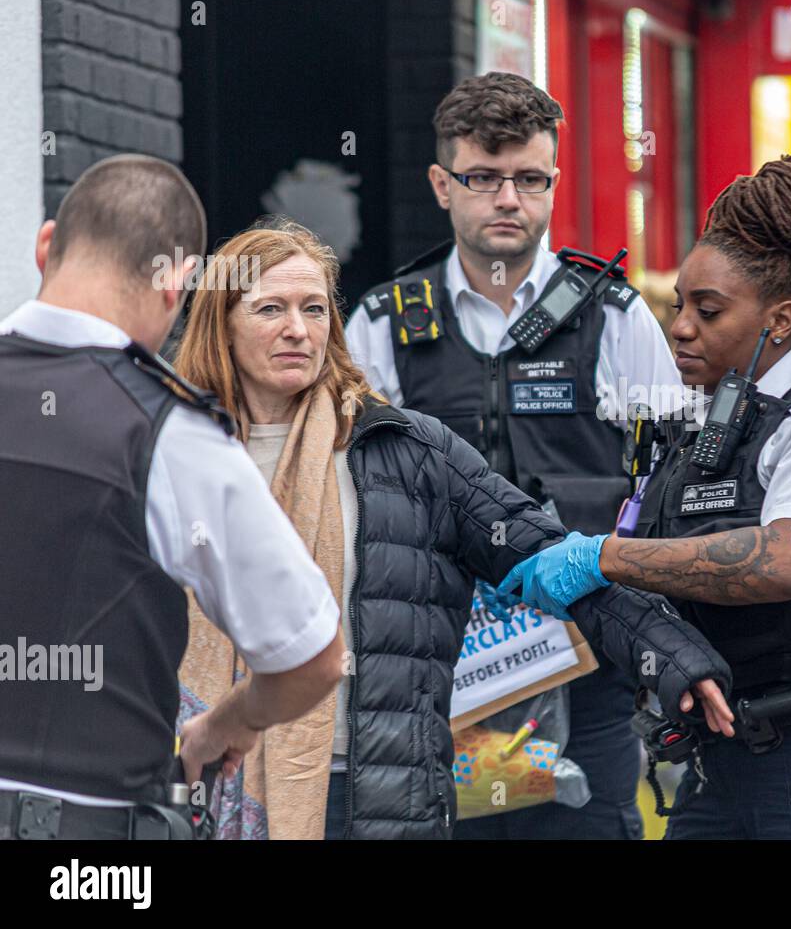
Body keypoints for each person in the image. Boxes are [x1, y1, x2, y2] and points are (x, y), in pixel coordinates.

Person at [177, 218, 733, 839]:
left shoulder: (403, 450)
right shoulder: (173, 459)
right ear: (221, 321)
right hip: (205, 787)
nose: (297, 330)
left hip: (374, 796)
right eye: (269, 309)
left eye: (313, 308)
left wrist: (674, 655)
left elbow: (547, 556)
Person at [495, 154, 791, 840]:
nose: (679, 327)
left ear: (781, 320)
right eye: (679, 306)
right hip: (725, 762)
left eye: (708, 311)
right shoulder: (695, 428)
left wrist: (606, 557)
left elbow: (781, 562)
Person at [345, 72, 684, 840]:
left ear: (554, 183)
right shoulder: (383, 325)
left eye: (530, 179)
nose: (508, 199)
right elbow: (347, 496)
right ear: (442, 184)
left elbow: (668, 484)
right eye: (484, 178)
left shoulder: (615, 317)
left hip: (586, 663)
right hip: (430, 670)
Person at [0, 156, 345, 839]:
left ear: (46, 245)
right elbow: (314, 655)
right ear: (179, 284)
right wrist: (226, 725)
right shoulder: (169, 432)